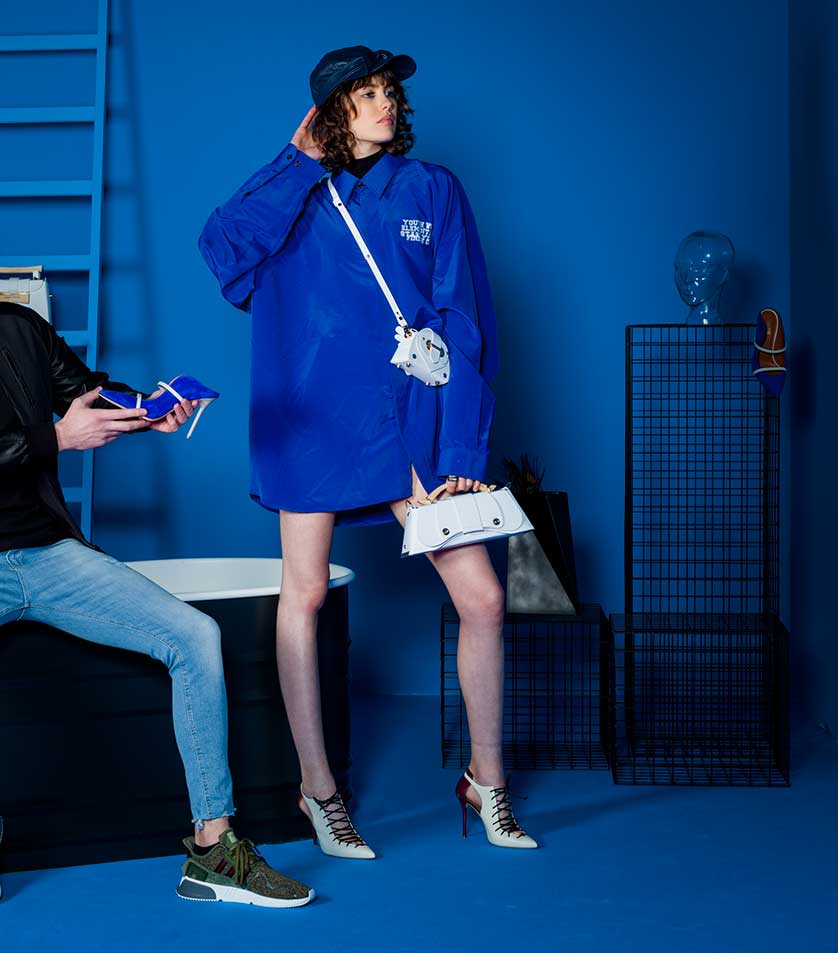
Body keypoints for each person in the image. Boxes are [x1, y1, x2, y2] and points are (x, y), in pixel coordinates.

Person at [0, 199, 316, 909]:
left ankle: (212, 847)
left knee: (196, 635)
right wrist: (54, 438)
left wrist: (148, 408)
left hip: (49, 552)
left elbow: (84, 391)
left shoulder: (17, 327)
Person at [198, 47, 538, 856]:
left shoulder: (432, 189)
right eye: (364, 94)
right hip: (310, 420)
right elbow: (222, 251)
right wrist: (295, 161)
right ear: (328, 113)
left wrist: (462, 438)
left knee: (483, 598)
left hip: (407, 418)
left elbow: (466, 318)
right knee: (305, 592)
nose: (385, 103)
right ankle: (319, 789)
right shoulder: (294, 191)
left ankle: (487, 779)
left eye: (389, 91)